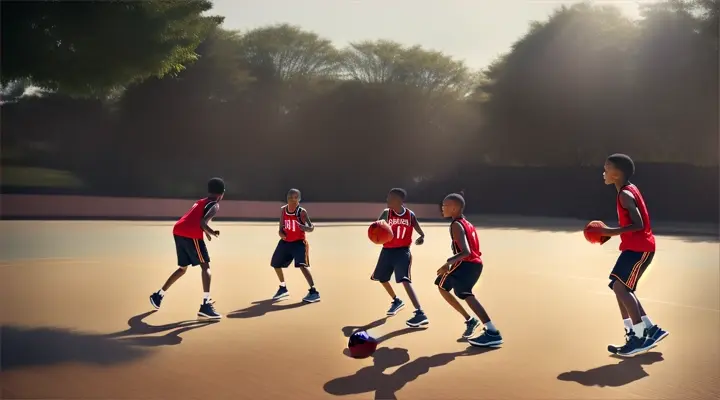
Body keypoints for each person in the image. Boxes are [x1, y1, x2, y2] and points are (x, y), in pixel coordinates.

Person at [586, 153, 668, 357]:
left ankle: (640, 338)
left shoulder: (625, 194)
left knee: (622, 289)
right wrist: (612, 234)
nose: (603, 171)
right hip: (634, 247)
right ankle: (642, 330)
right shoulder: (627, 190)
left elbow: (638, 223)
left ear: (616, 173)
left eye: (607, 167)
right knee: (619, 286)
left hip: (640, 248)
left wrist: (609, 232)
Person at [149, 177, 225, 319]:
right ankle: (206, 305)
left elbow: (197, 219)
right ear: (222, 193)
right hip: (191, 233)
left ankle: (158, 295)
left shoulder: (201, 201)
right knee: (205, 266)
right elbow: (202, 222)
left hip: (178, 230)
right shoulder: (214, 204)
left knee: (183, 268)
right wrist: (212, 232)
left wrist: (207, 233)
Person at [436, 192, 503, 347]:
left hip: (466, 264)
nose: (442, 208)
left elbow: (466, 251)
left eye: (445, 205)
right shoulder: (467, 223)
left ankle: (491, 331)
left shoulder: (456, 225)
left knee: (464, 293)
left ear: (454, 208)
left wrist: (448, 263)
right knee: (443, 286)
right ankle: (472, 321)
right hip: (474, 264)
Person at [371, 188, 429, 328]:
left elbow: (419, 230)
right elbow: (377, 227)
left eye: (390, 198)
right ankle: (396, 301)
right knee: (381, 278)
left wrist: (421, 236)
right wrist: (376, 233)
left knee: (404, 279)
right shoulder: (386, 213)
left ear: (399, 201)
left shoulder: (410, 215)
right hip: (387, 251)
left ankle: (419, 312)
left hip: (403, 252)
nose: (387, 200)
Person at [270, 189, 320, 303]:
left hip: (299, 243)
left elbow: (311, 227)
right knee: (275, 263)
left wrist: (305, 227)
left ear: (299, 199)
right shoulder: (283, 210)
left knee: (302, 265)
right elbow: (281, 227)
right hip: (286, 242)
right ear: (286, 198)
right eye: (290, 197)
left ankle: (314, 292)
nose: (292, 199)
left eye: (295, 197)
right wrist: (281, 233)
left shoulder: (301, 212)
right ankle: (283, 288)